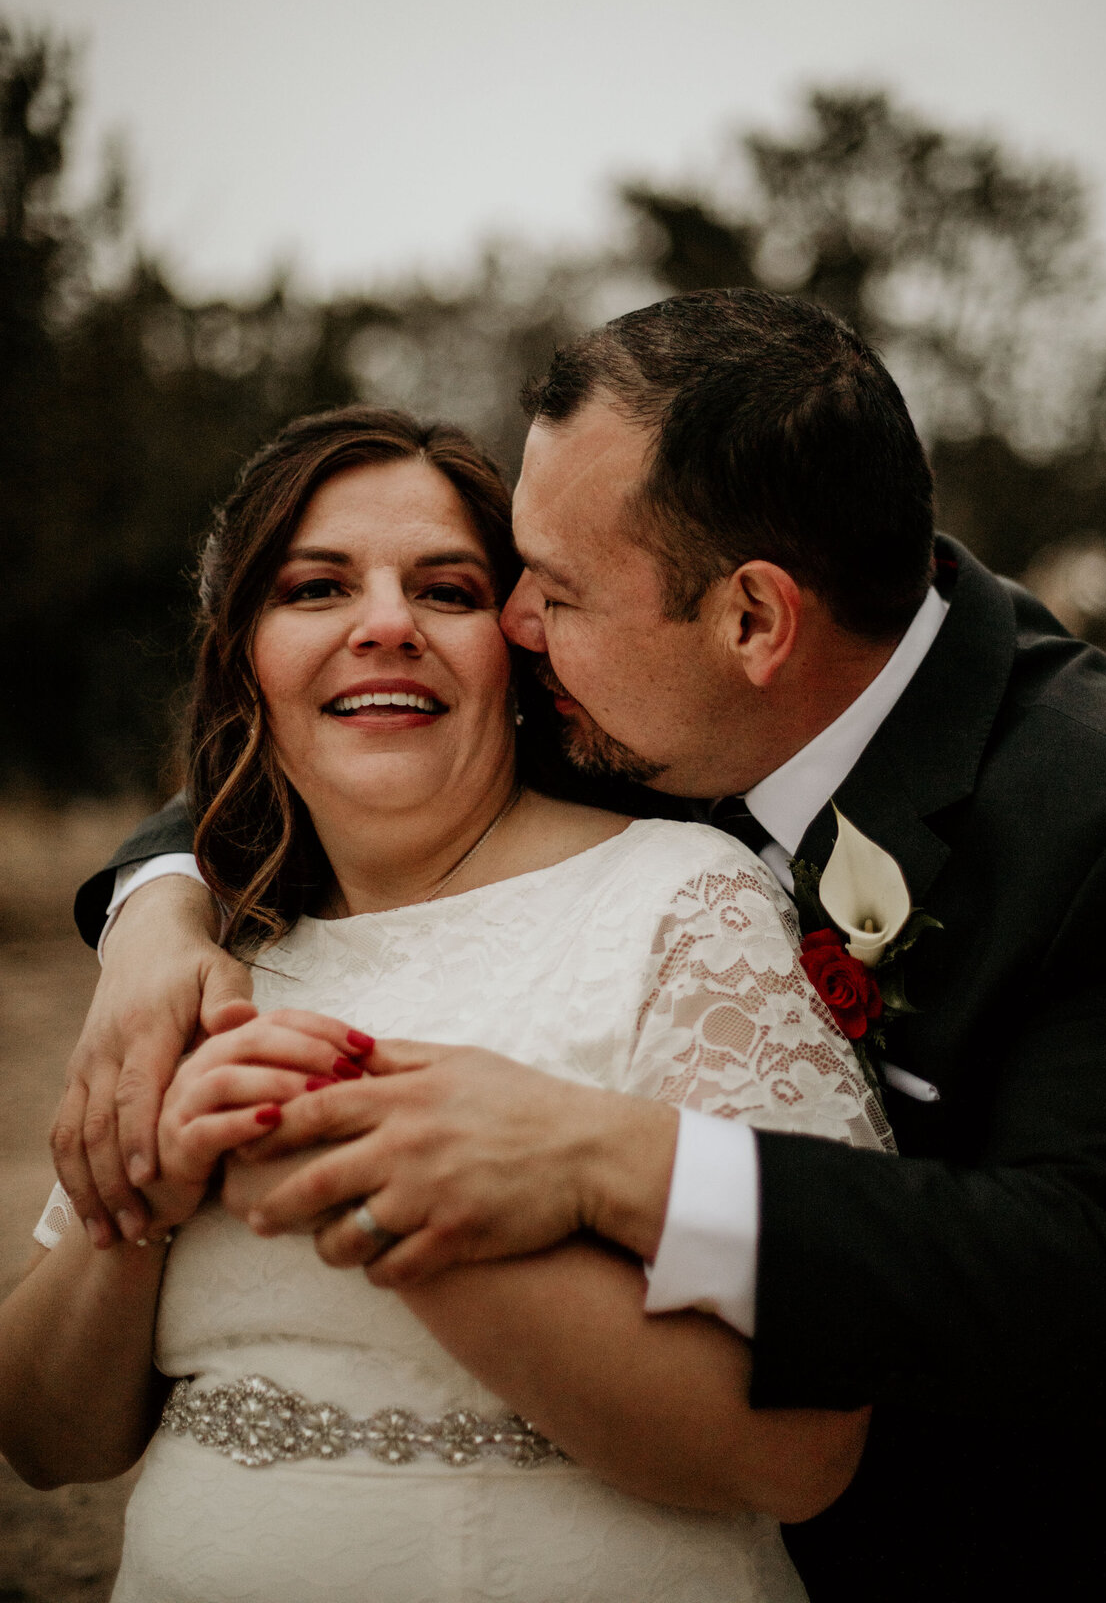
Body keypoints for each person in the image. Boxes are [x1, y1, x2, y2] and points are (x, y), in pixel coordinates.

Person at [60, 291, 1106, 1601]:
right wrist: (157, 917)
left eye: (551, 589)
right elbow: (309, 749)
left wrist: (610, 1157)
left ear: (754, 623)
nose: (514, 631)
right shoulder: (642, 682)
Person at [0, 406, 892, 1603]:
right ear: (244, 658)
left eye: (447, 590)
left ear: (518, 649)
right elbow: (49, 1442)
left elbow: (801, 1446)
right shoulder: (202, 955)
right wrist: (141, 1208)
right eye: (316, 588)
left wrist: (365, 1194)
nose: (384, 626)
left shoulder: (681, 902)